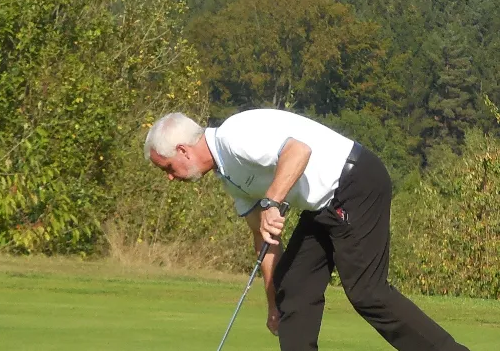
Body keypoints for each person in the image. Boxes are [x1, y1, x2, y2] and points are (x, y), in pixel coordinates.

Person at [144, 109, 470, 351]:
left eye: (168, 168)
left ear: (184, 151)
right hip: (323, 206)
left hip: (354, 181)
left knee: (368, 293)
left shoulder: (234, 136)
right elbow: (264, 240)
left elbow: (298, 151)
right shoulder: (227, 175)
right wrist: (275, 304)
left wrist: (272, 201)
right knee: (294, 287)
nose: (171, 177)